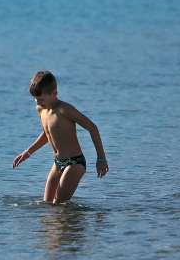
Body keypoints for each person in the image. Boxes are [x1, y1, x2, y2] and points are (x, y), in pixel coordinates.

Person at [12, 71, 108, 203]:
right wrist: (28, 152)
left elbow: (92, 127)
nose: (38, 103)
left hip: (74, 163)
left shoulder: (65, 110)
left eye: (42, 99)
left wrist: (101, 158)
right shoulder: (41, 109)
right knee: (47, 205)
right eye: (36, 99)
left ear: (54, 93)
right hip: (57, 163)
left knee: (58, 205)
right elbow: (48, 133)